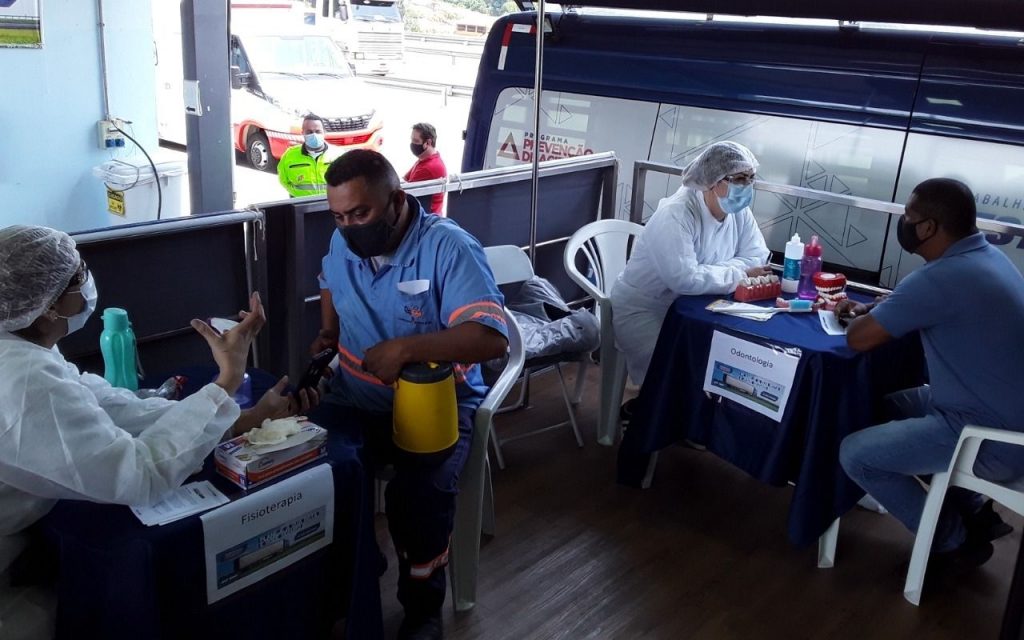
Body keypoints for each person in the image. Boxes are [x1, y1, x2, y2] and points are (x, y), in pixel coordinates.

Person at [0, 225, 317, 536]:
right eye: (80, 275)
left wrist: (240, 420)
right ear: (50, 306)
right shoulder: (26, 379)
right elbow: (137, 476)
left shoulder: (23, 348)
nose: (89, 281)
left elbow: (106, 408)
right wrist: (228, 379)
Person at [309, 149, 507, 639]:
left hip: (436, 405)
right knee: (315, 476)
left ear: (397, 199)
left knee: (418, 499)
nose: (349, 226)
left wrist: (406, 348)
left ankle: (422, 607)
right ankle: (354, 575)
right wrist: (329, 331)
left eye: (361, 213)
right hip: (355, 398)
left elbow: (490, 338)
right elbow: (329, 279)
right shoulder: (341, 241)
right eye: (338, 216)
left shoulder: (448, 248)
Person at [837, 178, 1024, 575]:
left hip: (990, 437)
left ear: (928, 228)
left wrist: (853, 315)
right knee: (891, 405)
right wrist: (891, 307)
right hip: (1006, 414)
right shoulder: (986, 258)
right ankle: (973, 508)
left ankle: (951, 540)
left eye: (909, 215)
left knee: (856, 454)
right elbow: (929, 305)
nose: (904, 222)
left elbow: (858, 339)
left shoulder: (939, 278)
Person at [609, 141, 771, 416]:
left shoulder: (737, 211)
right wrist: (739, 272)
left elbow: (758, 256)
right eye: (739, 179)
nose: (747, 186)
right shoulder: (676, 214)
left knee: (723, 362)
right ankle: (642, 415)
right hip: (646, 309)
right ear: (712, 181)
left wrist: (715, 272)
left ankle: (686, 420)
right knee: (678, 367)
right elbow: (684, 279)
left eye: (751, 178)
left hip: (702, 306)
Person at [278, 114, 335, 197]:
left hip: (332, 203)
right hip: (301, 205)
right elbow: (283, 180)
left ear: (324, 132)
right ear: (303, 133)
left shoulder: (338, 155)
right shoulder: (289, 155)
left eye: (318, 131)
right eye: (309, 132)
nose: (314, 135)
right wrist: (297, 195)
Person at [403, 122, 447, 215]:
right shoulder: (424, 159)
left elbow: (406, 192)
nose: (412, 144)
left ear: (428, 143)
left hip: (426, 219)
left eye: (415, 141)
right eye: (412, 140)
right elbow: (405, 179)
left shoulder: (429, 167)